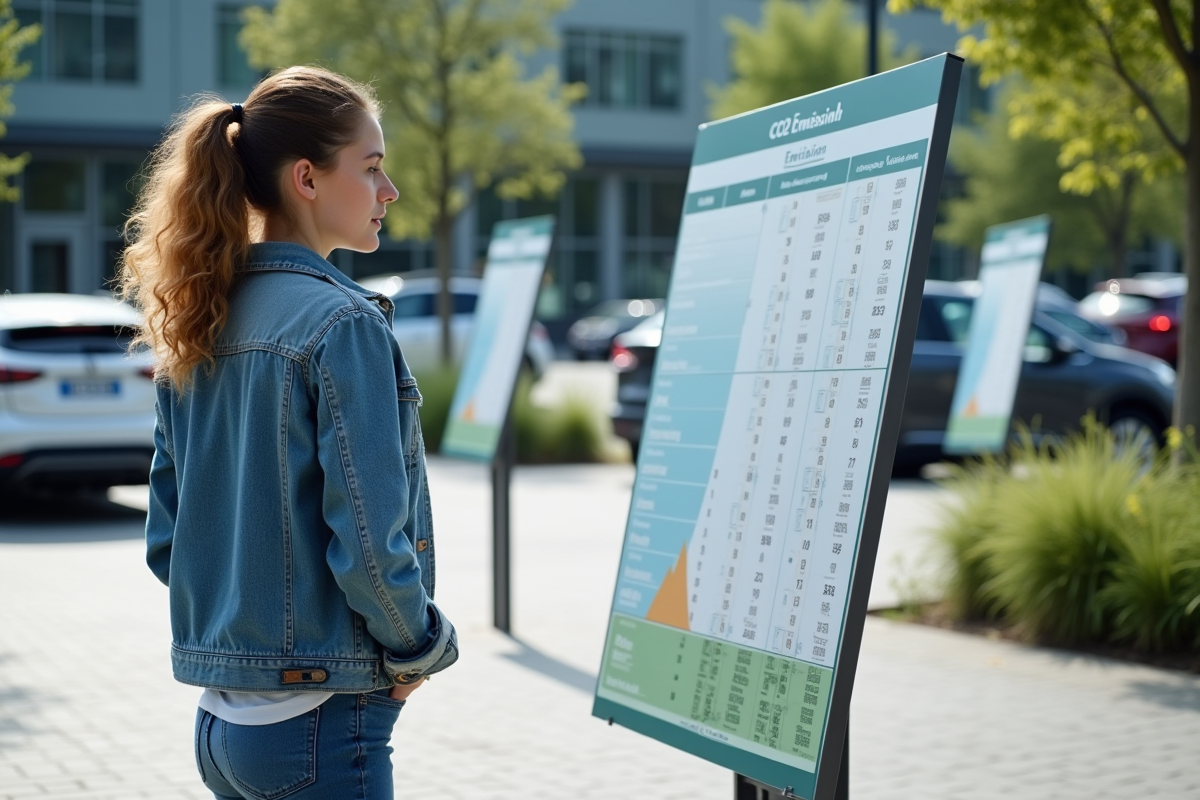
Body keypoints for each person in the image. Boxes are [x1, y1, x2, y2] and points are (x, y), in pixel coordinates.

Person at [118, 66, 458, 799]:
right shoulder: (344, 325)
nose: (389, 191)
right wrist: (421, 648)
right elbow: (371, 545)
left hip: (223, 729)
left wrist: (244, 643)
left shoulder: (201, 317)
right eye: (371, 169)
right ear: (307, 178)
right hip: (318, 727)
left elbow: (168, 546)